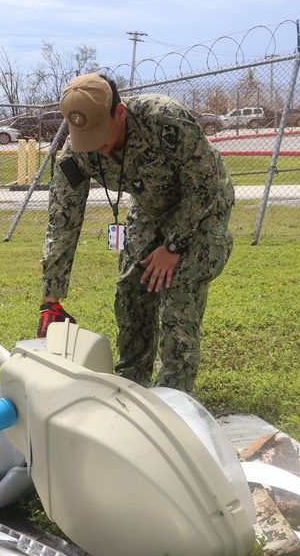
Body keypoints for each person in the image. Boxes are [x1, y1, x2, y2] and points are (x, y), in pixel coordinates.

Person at [38, 73, 235, 394]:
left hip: (203, 203)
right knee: (131, 288)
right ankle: (133, 388)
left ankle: (175, 397)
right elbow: (62, 219)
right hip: (149, 206)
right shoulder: (78, 154)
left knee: (179, 287)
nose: (97, 150)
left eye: (100, 137)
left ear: (119, 113)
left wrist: (173, 246)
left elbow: (205, 187)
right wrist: (51, 298)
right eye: (86, 139)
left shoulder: (165, 120)